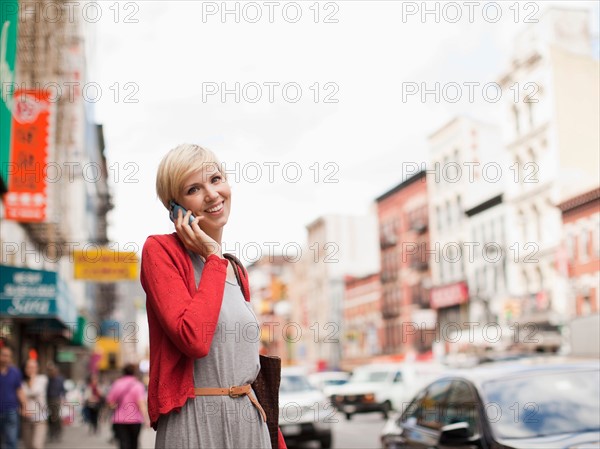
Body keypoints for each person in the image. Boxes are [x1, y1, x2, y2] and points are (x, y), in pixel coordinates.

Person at [140, 144, 287, 449]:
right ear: (175, 208)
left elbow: (251, 374)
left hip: (250, 425)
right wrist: (211, 257)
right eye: (194, 188)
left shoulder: (235, 269)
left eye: (216, 179)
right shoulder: (160, 251)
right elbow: (193, 339)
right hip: (195, 424)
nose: (211, 194)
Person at [106, 364, 148, 449]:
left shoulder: (117, 384)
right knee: (134, 443)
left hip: (119, 419)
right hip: (135, 420)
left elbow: (110, 402)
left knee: (123, 443)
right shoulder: (138, 385)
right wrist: (146, 419)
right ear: (134, 373)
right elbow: (141, 404)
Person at [0, 345, 26, 449]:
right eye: (3, 355)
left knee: (11, 440)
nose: (5, 358)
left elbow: (19, 390)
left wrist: (24, 406)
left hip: (11, 410)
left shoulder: (15, 372)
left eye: (8, 356)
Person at [21, 359, 48, 449]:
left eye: (33, 367)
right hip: (26, 418)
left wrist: (32, 378)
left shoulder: (42, 379)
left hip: (40, 418)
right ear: (25, 369)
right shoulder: (21, 382)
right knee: (28, 446)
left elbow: (34, 391)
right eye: (29, 367)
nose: (31, 369)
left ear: (38, 368)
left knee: (37, 445)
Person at [45, 363, 65, 442]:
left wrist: (63, 398)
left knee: (55, 416)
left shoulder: (60, 379)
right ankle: (51, 432)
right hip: (48, 399)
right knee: (50, 417)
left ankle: (57, 432)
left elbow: (62, 390)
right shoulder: (47, 379)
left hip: (56, 399)